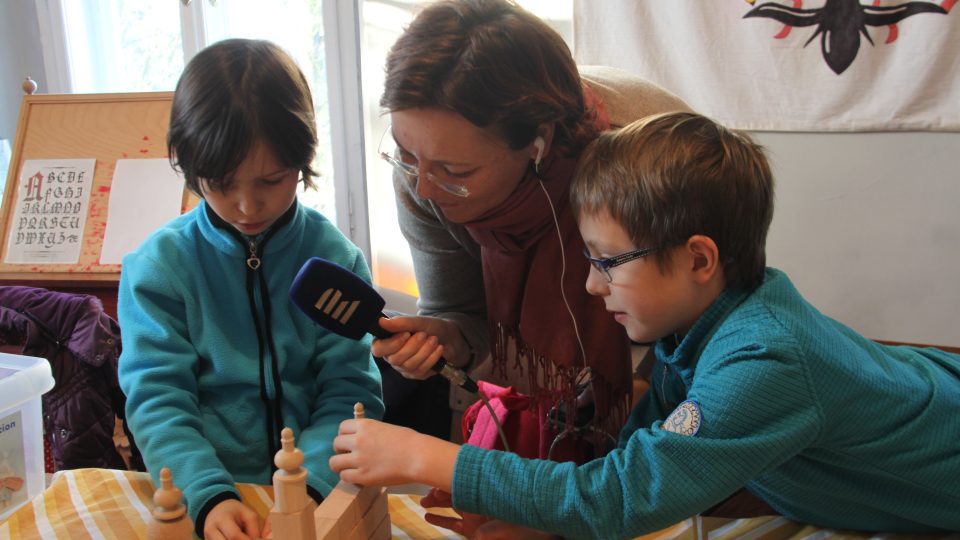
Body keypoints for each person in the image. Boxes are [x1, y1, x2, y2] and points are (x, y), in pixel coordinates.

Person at [330, 112, 960, 538]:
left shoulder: (762, 363)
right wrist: (535, 511)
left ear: (698, 259)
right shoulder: (701, 323)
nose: (590, 284)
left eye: (608, 263)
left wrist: (427, 456)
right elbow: (639, 450)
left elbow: (619, 496)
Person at [372, 0, 690, 453]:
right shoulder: (424, 167)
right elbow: (463, 314)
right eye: (404, 153)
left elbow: (699, 320)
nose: (423, 188)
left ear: (537, 144)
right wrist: (448, 338)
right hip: (528, 403)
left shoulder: (648, 159)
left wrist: (642, 391)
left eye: (456, 172)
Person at [117, 39, 384, 540]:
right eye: (220, 183)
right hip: (208, 496)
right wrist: (207, 494)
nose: (246, 205)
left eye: (271, 179)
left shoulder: (336, 259)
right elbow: (158, 400)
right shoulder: (159, 269)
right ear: (186, 163)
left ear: (303, 160)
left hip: (314, 493)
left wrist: (307, 488)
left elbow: (349, 392)